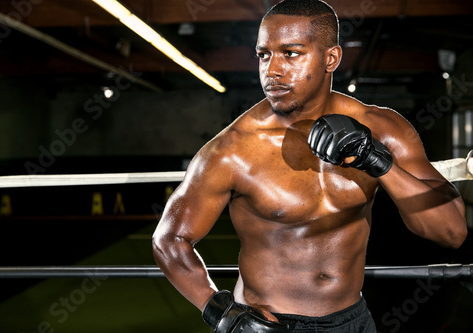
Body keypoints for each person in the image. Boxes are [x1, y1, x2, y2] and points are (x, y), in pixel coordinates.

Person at [152, 0, 468, 332]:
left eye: (290, 53)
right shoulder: (232, 150)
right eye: (263, 55)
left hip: (352, 320)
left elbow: (451, 232)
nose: (272, 70)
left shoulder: (384, 129)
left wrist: (377, 160)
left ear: (331, 58)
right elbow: (169, 238)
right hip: (267, 324)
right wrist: (222, 313)